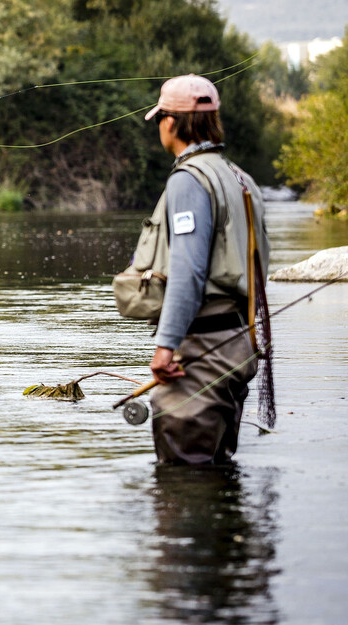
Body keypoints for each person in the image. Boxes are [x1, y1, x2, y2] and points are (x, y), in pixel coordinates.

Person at [131, 74, 272, 464]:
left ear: (172, 122)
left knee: (184, 479)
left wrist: (166, 347)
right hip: (238, 344)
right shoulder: (240, 177)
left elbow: (188, 270)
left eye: (161, 119)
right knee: (217, 470)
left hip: (204, 351)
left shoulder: (189, 180)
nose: (160, 127)